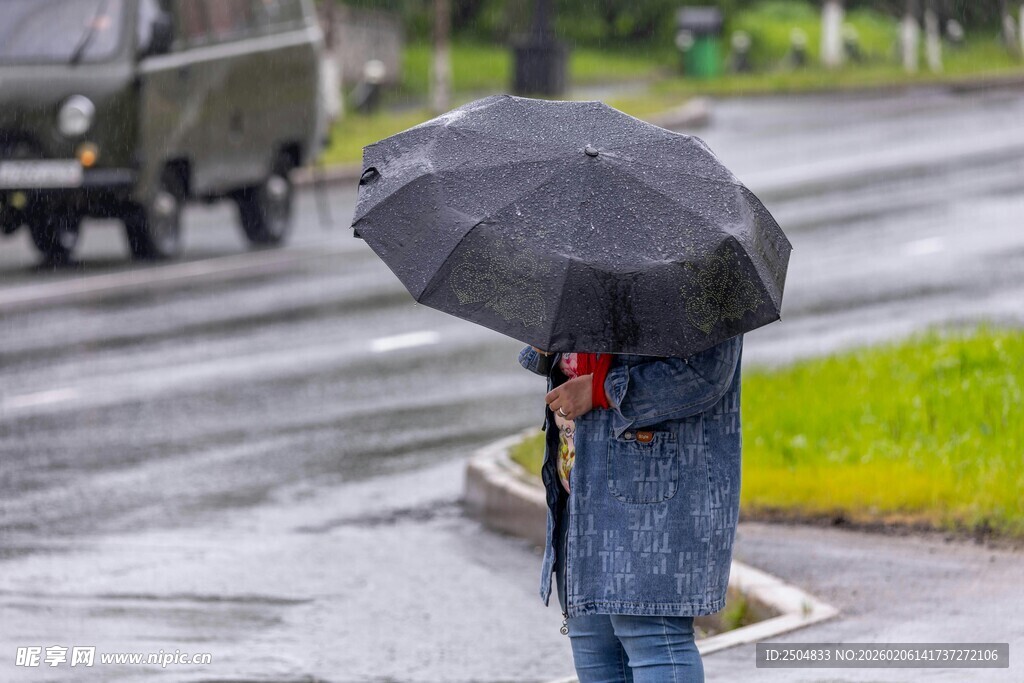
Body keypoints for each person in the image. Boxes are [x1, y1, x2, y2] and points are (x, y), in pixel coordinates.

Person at [518, 334, 744, 683]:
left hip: (655, 495)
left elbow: (707, 374)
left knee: (653, 635)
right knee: (595, 648)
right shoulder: (584, 281)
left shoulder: (704, 278)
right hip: (581, 493)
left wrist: (602, 389)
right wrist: (546, 343)